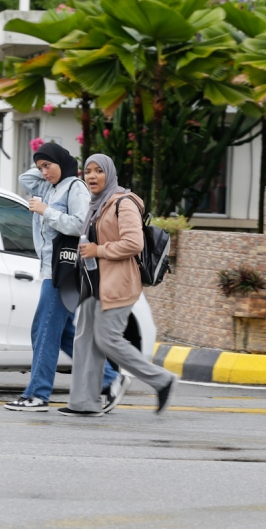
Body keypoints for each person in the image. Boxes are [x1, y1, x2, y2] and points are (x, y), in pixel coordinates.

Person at [3, 143, 129, 413]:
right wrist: (46, 165)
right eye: (40, 167)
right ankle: (111, 378)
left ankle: (37, 394)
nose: (43, 172)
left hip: (66, 270)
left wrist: (46, 211)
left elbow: (81, 224)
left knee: (44, 330)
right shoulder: (50, 187)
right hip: (51, 269)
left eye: (48, 165)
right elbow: (25, 179)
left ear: (63, 162)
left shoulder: (76, 188)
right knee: (61, 334)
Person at [59, 154, 177, 418]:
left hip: (119, 283)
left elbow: (134, 243)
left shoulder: (123, 204)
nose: (91, 176)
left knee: (107, 339)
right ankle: (83, 403)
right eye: (87, 171)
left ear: (109, 174)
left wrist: (98, 250)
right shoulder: (95, 205)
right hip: (94, 283)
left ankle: (161, 380)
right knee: (84, 340)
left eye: (98, 171)